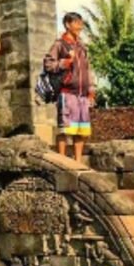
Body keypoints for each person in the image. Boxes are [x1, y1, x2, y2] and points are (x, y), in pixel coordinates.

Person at [43, 12, 95, 161]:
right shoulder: (59, 45)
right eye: (77, 23)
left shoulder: (82, 46)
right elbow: (48, 65)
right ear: (68, 24)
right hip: (67, 92)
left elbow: (88, 69)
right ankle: (63, 161)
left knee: (81, 130)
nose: (80, 26)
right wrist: (65, 62)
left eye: (81, 23)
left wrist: (91, 89)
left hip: (82, 94)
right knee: (65, 129)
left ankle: (78, 162)